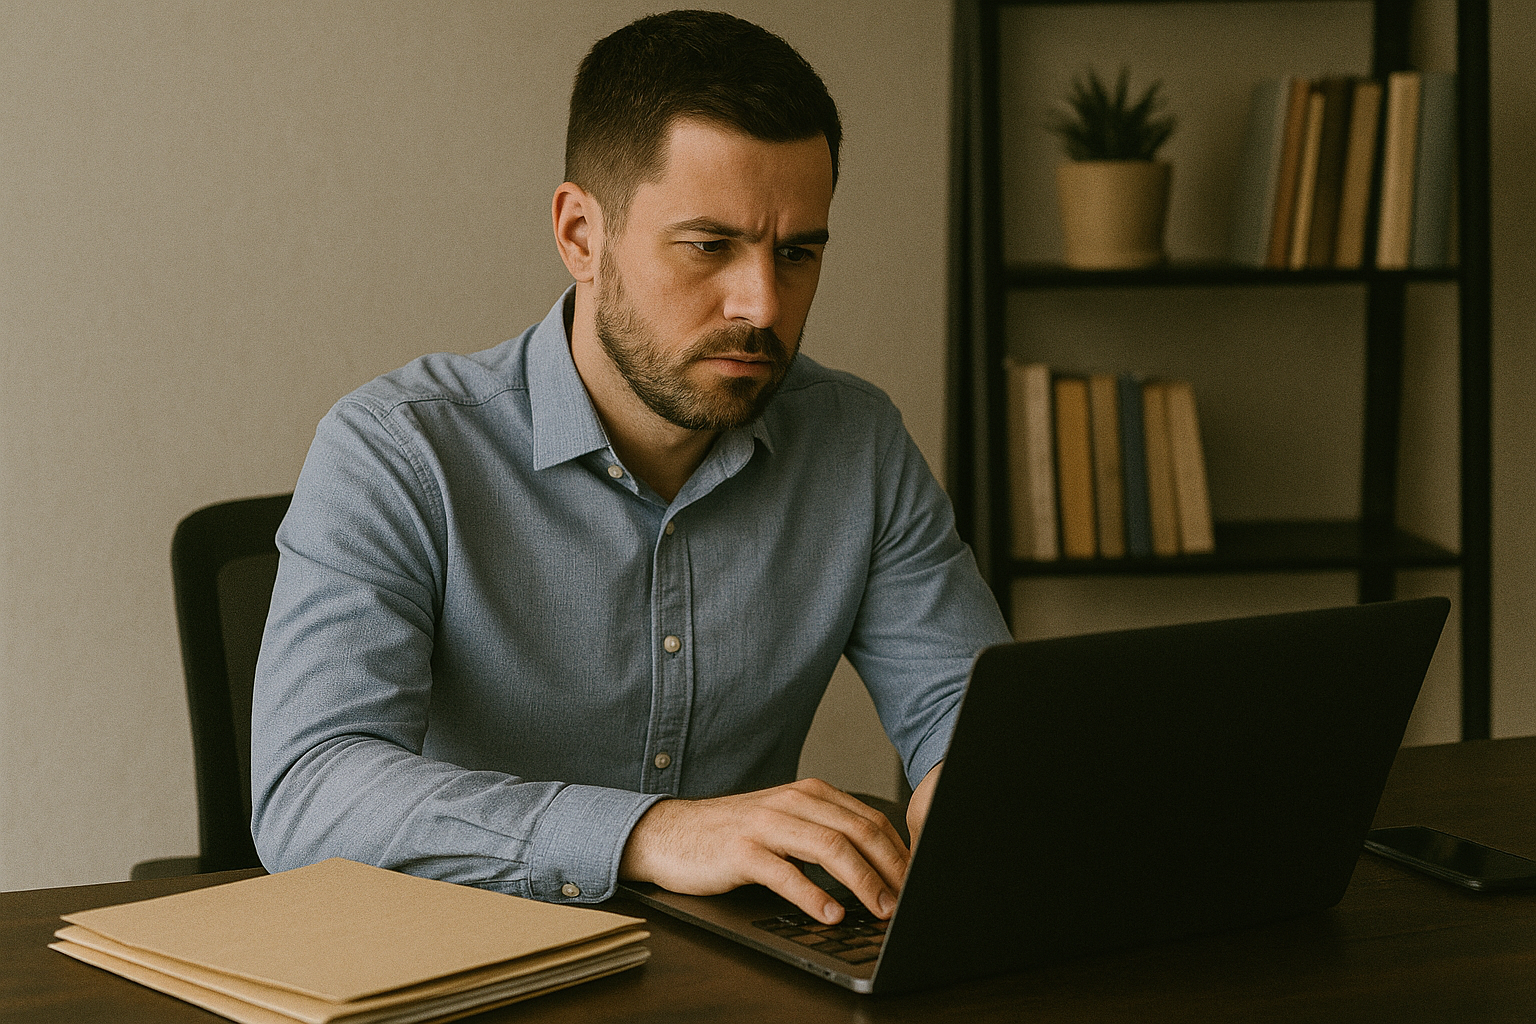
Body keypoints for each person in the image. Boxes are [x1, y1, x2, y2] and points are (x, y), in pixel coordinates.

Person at [250, 9, 1010, 929]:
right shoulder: (396, 449)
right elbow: (309, 792)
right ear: (580, 234)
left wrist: (968, 789)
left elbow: (971, 719)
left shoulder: (856, 441)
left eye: (798, 252)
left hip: (736, 976)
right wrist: (651, 833)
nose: (762, 304)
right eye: (709, 246)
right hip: (461, 967)